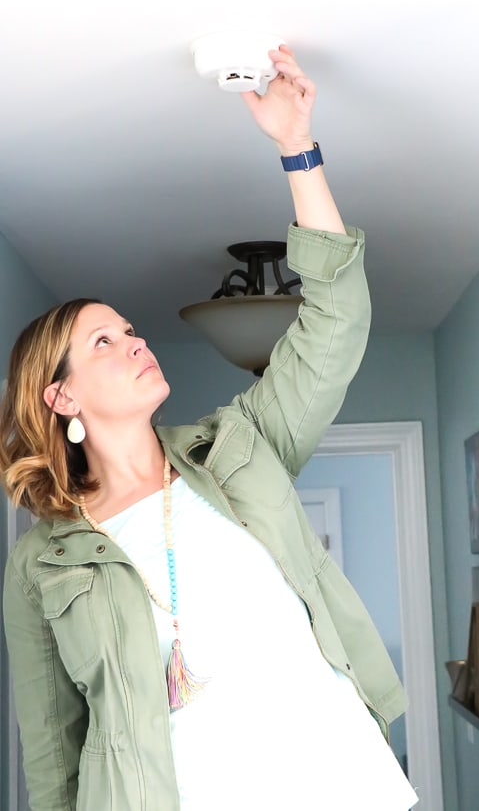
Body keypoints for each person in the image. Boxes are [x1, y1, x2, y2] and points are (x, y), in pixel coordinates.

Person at [0, 46, 418, 811]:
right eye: (105, 342)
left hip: (339, 783)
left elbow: (337, 321)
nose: (136, 342)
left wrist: (298, 148)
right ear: (60, 400)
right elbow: (54, 758)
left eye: (131, 329)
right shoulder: (40, 568)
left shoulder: (240, 448)